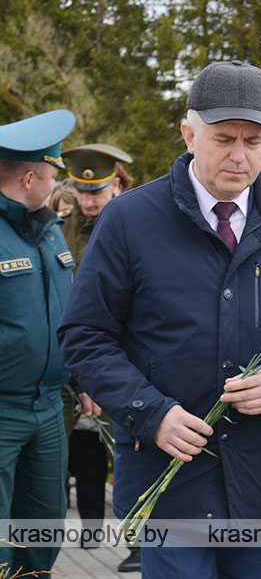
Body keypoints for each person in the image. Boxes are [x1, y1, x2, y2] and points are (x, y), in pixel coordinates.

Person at [59, 60, 261, 579]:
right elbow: (85, 335)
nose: (239, 155)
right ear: (190, 135)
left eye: (253, 141)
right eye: (223, 138)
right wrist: (151, 413)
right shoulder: (130, 220)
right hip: (169, 477)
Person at [0, 109, 93, 573]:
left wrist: (84, 378)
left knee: (43, 524)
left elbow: (64, 317)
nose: (58, 184)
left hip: (50, 406)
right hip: (3, 408)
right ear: (30, 178)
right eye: (54, 175)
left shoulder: (51, 231)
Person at [57, 143, 140, 568]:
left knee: (130, 453)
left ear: (116, 185)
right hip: (68, 360)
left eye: (98, 191)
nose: (89, 200)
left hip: (122, 361)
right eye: (82, 191)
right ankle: (64, 535)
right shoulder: (58, 230)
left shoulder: (134, 226)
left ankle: (140, 543)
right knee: (67, 453)